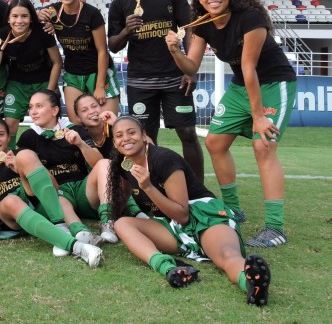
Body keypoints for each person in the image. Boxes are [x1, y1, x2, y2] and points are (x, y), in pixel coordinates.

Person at [165, 0, 297, 247]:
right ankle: (234, 209)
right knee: (214, 142)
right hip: (241, 87)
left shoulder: (251, 19)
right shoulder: (203, 24)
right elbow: (191, 67)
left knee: (263, 147)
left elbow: (249, 68)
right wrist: (176, 50)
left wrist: (259, 117)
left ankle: (275, 227)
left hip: (273, 83)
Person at [105, 115, 272, 306]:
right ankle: (168, 267)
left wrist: (148, 187)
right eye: (119, 135)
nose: (125, 138)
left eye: (131, 132)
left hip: (202, 215)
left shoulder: (163, 159)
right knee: (122, 224)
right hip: (170, 226)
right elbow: (122, 200)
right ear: (115, 143)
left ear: (144, 136)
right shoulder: (124, 166)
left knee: (226, 254)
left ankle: (252, 284)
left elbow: (183, 215)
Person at [107, 0, 204, 179]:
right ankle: (153, 187)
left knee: (188, 133)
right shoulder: (119, 3)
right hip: (140, 81)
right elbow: (113, 45)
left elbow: (190, 30)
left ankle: (198, 191)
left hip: (175, 77)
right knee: (144, 137)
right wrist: (127, 32)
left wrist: (191, 68)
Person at [0, 117, 103, 267]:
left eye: (0, 134)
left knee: (25, 156)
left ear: (9, 137)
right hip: (7, 212)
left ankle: (61, 228)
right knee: (10, 201)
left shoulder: (20, 153)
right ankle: (78, 247)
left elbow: (54, 186)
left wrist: (18, 166)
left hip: (30, 198)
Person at [18, 90, 104, 245]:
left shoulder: (74, 129)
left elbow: (99, 163)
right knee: (59, 196)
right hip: (57, 192)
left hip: (82, 191)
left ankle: (108, 223)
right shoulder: (28, 137)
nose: (33, 112)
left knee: (106, 164)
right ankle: (80, 232)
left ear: (55, 110)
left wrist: (80, 144)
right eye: (31, 107)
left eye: (39, 106)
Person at [37, 0, 121, 123]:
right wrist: (39, 16)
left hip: (98, 72)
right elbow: (30, 16)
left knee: (106, 124)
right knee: (77, 124)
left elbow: (102, 51)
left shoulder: (92, 14)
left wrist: (100, 86)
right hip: (73, 73)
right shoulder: (52, 11)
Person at [0, 0, 62, 145]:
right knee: (10, 124)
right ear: (8, 18)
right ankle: (8, 160)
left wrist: (49, 92)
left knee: (49, 122)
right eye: (14, 16)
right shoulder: (2, 36)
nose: (19, 21)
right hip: (17, 83)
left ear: (31, 17)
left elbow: (57, 62)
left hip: (43, 82)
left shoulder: (43, 31)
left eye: (24, 16)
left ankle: (53, 155)